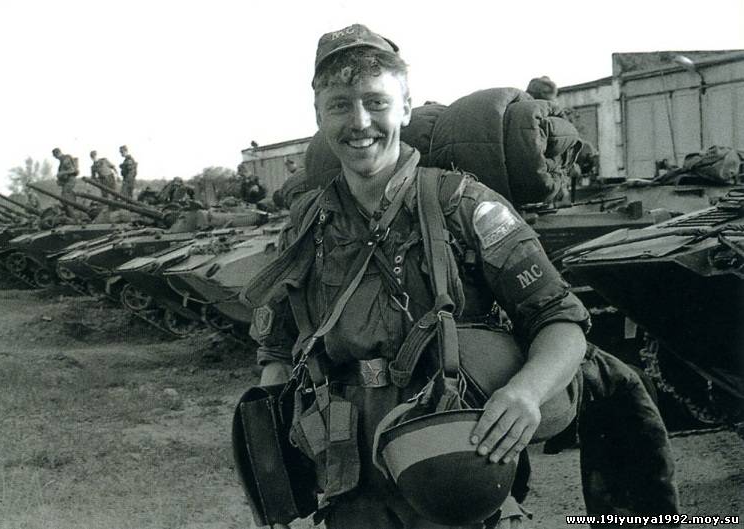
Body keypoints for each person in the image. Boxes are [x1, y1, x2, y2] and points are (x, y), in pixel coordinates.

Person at [242, 24, 590, 529]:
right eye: (339, 106)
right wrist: (277, 464)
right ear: (319, 117)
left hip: (454, 462)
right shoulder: (305, 226)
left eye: (376, 102)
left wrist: (526, 393)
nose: (360, 122)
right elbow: (277, 351)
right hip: (348, 481)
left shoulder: (464, 206)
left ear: (404, 107)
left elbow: (561, 319)